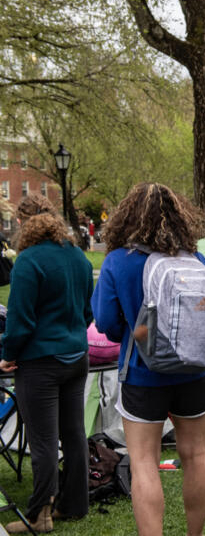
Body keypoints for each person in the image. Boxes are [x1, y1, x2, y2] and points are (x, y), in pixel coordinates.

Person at [92, 183, 205, 536]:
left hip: (143, 375)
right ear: (180, 216)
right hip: (195, 372)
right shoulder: (196, 259)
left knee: (145, 462)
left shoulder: (118, 261)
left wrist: (134, 332)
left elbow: (106, 324)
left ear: (125, 217)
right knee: (196, 455)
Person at [0, 193, 92, 533]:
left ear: (23, 224)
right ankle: (75, 504)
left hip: (40, 362)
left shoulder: (28, 261)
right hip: (76, 357)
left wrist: (7, 355)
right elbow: (88, 313)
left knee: (42, 440)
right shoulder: (79, 258)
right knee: (74, 434)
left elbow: (19, 321)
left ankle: (40, 515)